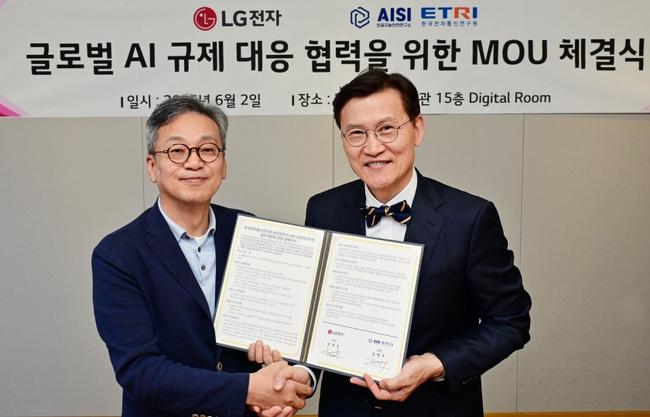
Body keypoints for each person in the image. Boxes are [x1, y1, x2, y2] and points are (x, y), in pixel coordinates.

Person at [305, 69, 532, 416]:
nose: (373, 147)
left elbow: (511, 321)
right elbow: (313, 315)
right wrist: (300, 372)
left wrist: (433, 364)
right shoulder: (323, 209)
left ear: (418, 129)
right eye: (356, 133)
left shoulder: (469, 217)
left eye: (387, 128)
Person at [92, 95, 313, 417]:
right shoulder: (118, 254)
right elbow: (139, 370)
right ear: (152, 166)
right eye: (177, 151)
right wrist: (248, 390)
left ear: (224, 164)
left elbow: (288, 331)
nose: (194, 162)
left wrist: (285, 383)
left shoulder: (252, 232)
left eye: (208, 150)